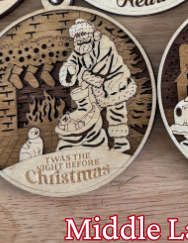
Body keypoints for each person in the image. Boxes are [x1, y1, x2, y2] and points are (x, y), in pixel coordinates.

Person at [57, 19, 137, 154]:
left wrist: (83, 74)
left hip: (115, 81)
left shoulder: (104, 43)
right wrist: (69, 67)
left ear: (91, 34)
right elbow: (73, 60)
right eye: (77, 36)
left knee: (116, 110)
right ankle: (93, 140)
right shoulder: (79, 48)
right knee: (90, 109)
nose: (80, 38)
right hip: (94, 86)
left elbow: (103, 67)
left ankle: (121, 142)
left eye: (83, 34)